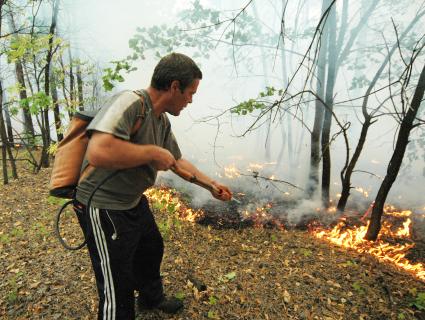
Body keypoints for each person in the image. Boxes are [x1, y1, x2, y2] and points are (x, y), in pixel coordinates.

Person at [72, 52, 232, 320]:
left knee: (151, 247)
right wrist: (151, 154)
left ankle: (151, 298)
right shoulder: (129, 103)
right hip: (104, 207)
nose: (191, 100)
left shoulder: (160, 120)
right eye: (190, 93)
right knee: (116, 281)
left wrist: (211, 185)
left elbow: (177, 160)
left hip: (133, 201)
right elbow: (99, 151)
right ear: (174, 87)